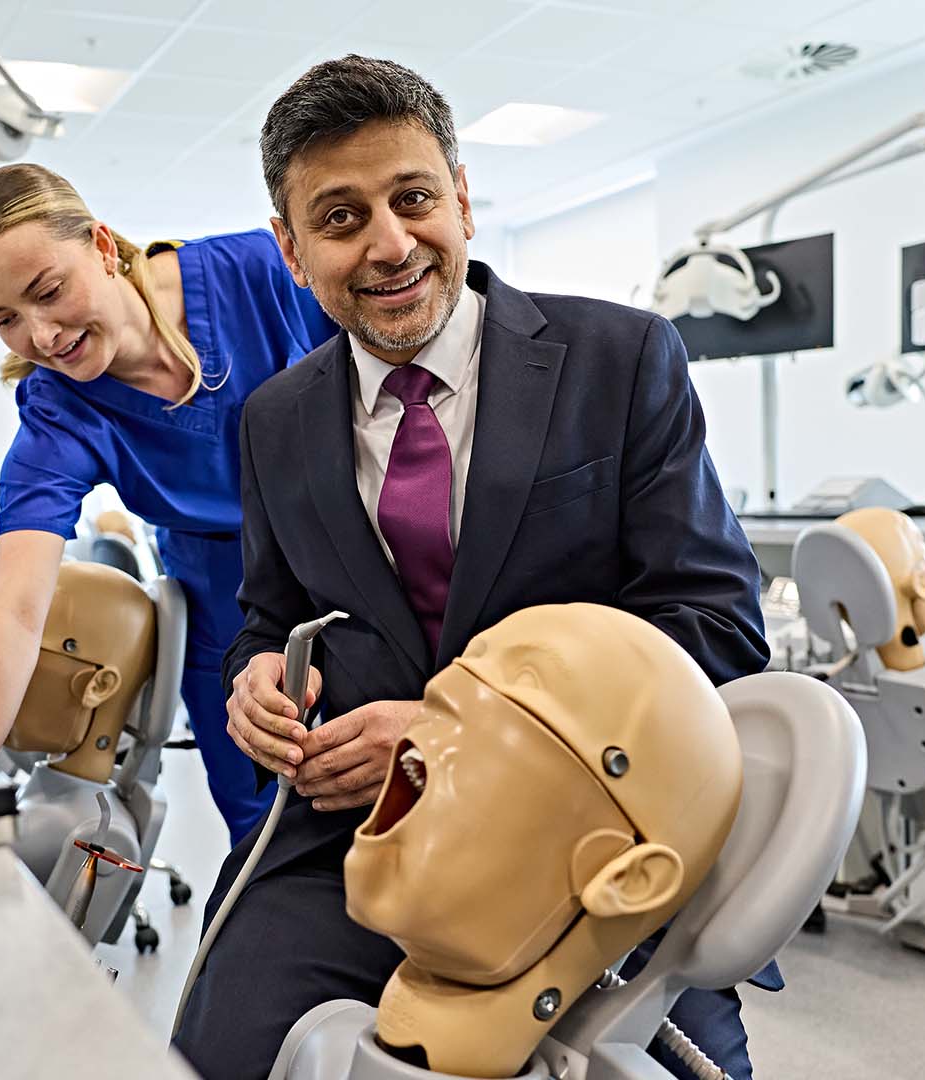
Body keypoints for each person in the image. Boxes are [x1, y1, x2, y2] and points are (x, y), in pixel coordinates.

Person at [172, 56, 773, 1080]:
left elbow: (714, 627)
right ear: (292, 250)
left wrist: (468, 739)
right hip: (360, 839)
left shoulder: (620, 361)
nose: (391, 243)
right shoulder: (274, 421)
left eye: (412, 199)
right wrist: (258, 678)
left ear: (461, 198)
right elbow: (269, 613)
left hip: (585, 842)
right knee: (220, 1050)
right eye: (342, 217)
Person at [0, 164, 336, 844]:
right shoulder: (60, 413)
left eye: (48, 291)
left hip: (356, 554)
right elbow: (13, 610)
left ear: (101, 246)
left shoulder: (261, 272)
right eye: (4, 318)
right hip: (225, 600)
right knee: (270, 827)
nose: (40, 336)